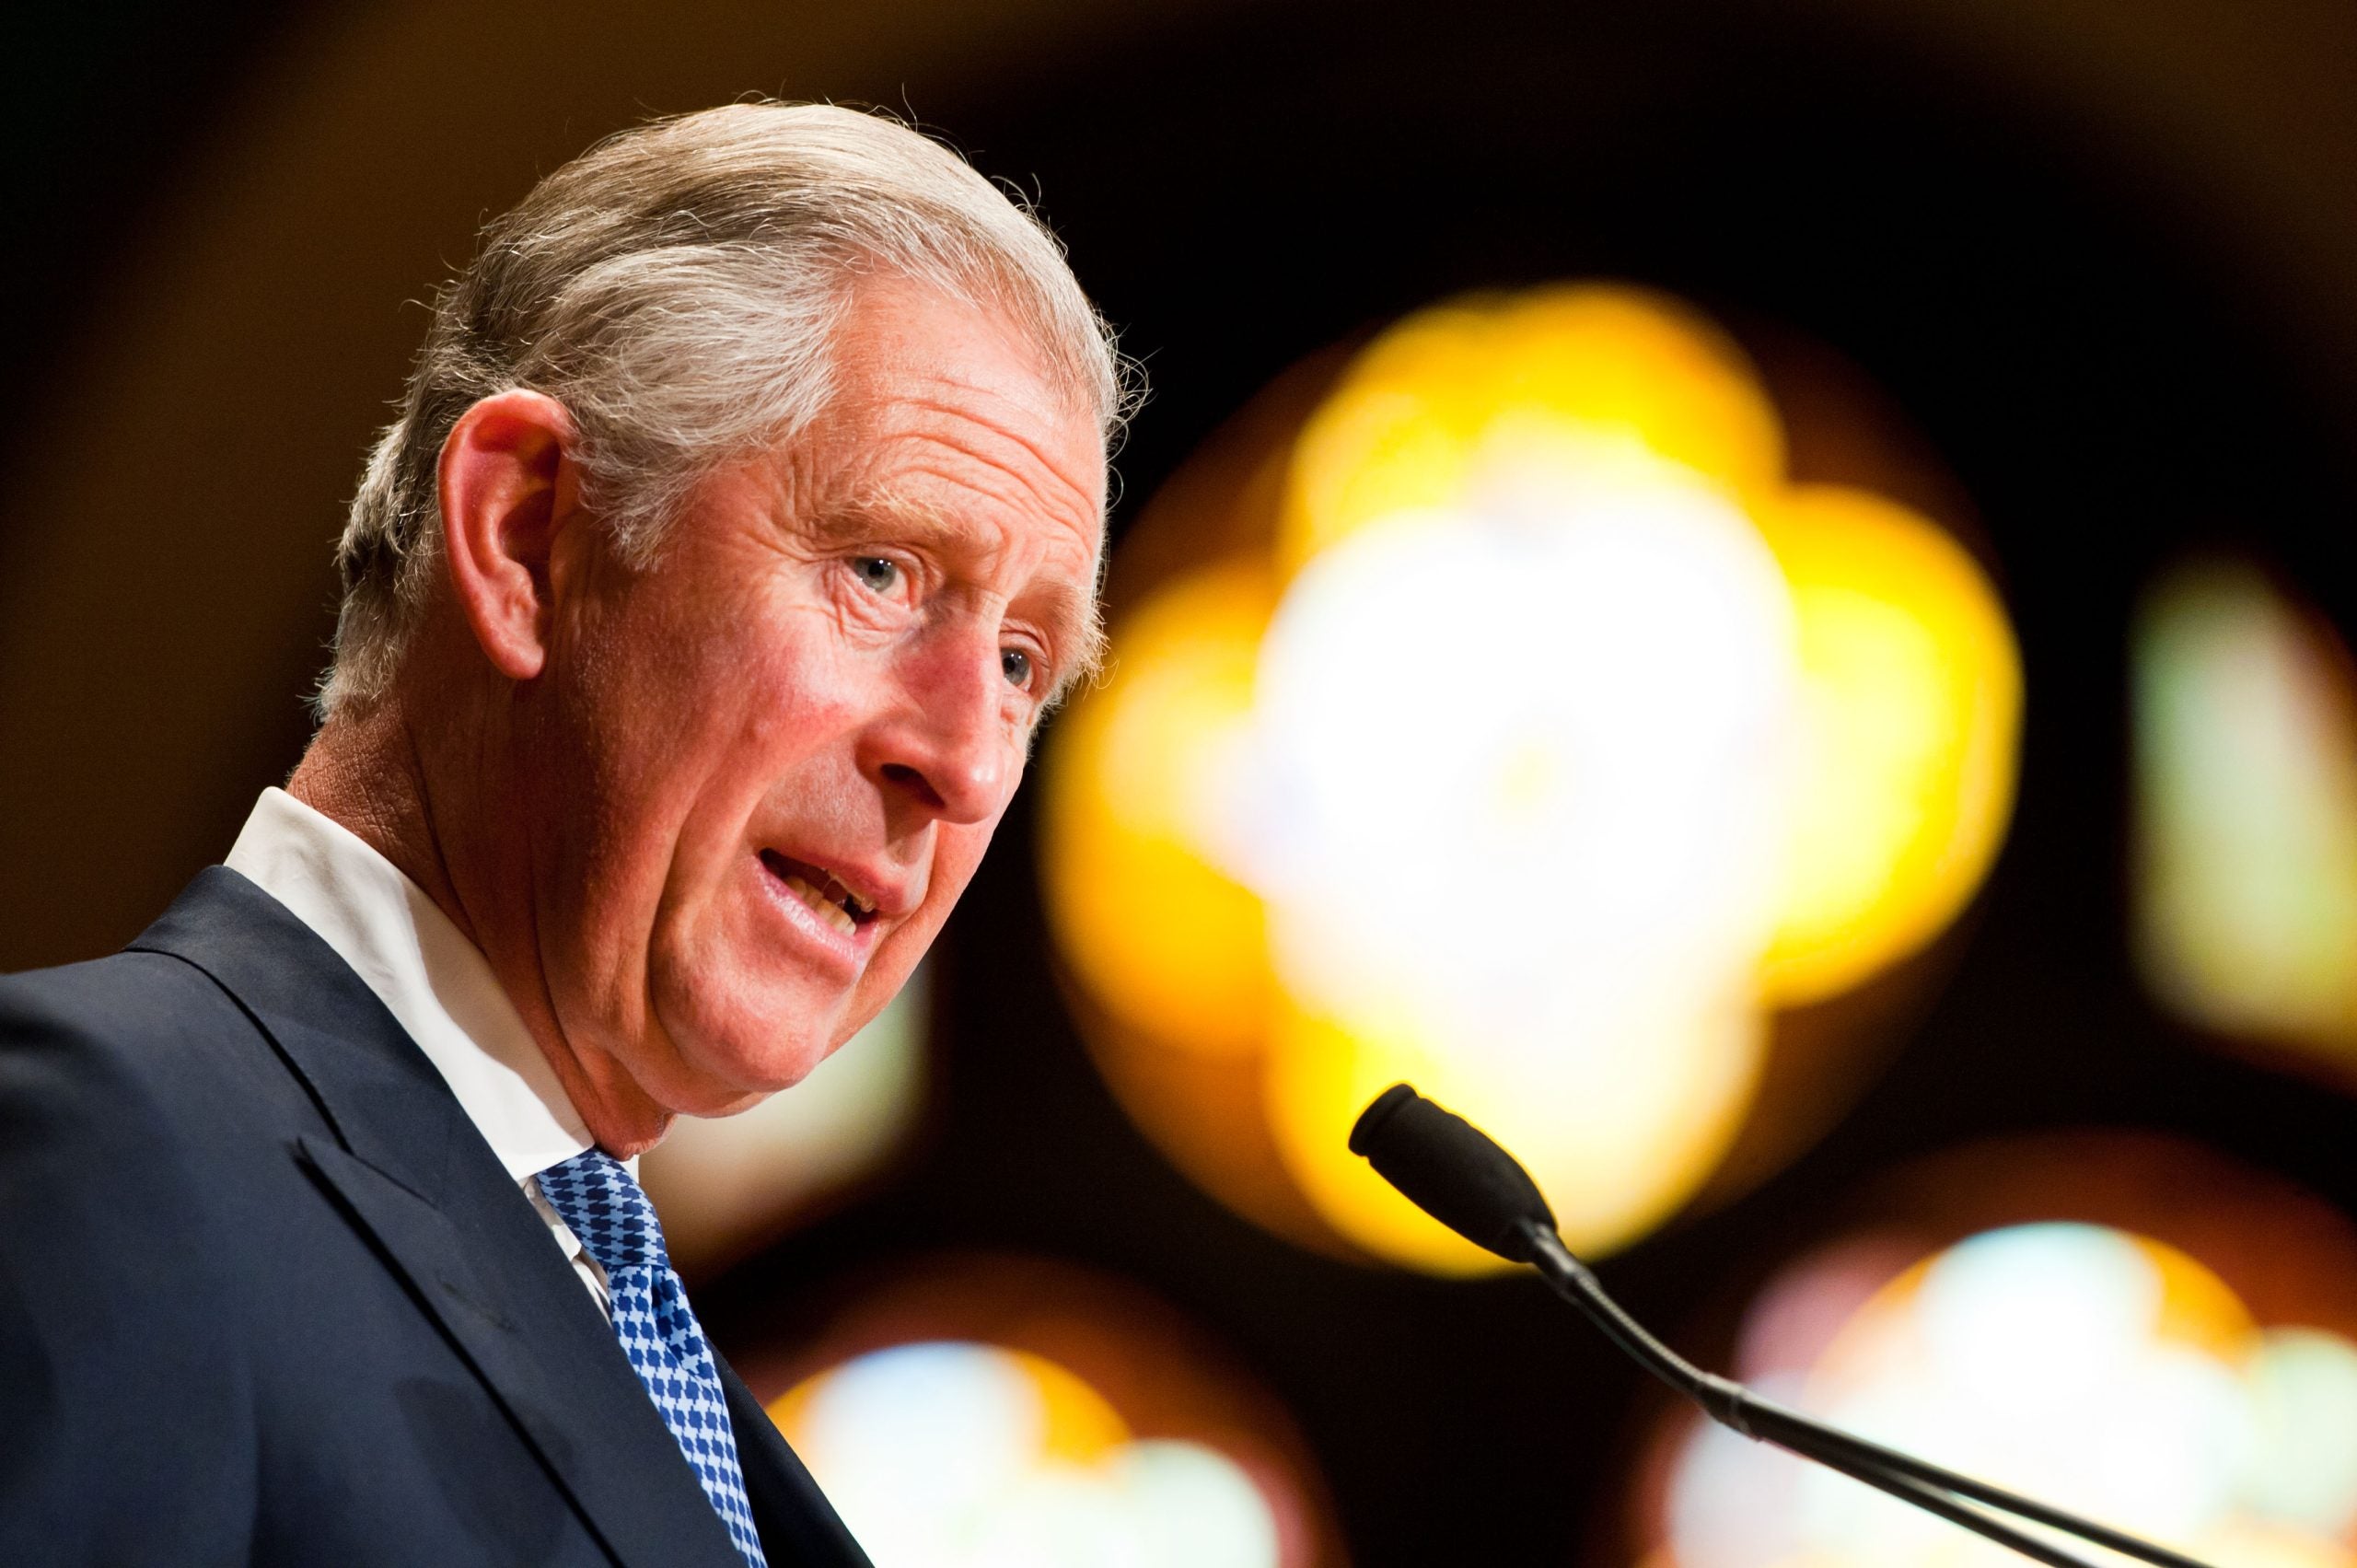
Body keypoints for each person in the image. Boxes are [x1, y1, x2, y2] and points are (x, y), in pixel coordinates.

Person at [0, 101, 1131, 1567]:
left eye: (1023, 666)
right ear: (530, 536)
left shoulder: (663, 1373)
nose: (966, 763)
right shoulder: (95, 1154)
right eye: (881, 570)